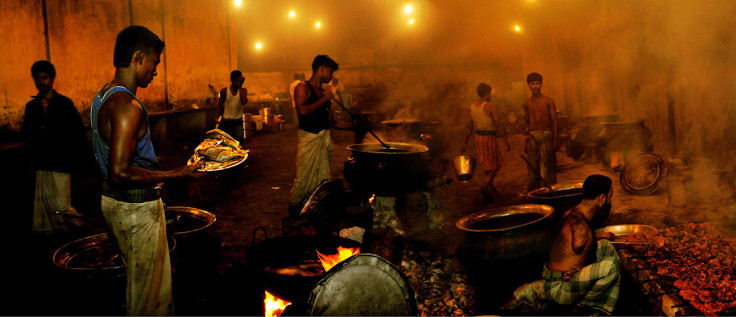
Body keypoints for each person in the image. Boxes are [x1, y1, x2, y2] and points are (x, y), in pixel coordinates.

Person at [90, 25, 203, 316]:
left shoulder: (102, 96)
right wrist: (179, 173)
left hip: (112, 204)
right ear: (139, 57)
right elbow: (120, 172)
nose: (155, 70)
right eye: (155, 62)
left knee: (138, 285)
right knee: (150, 300)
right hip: (136, 210)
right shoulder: (128, 106)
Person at [22, 60, 86, 234]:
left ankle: (78, 227)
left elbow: (77, 133)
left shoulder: (64, 104)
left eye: (44, 78)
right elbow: (28, 135)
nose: (41, 82)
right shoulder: (32, 107)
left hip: (61, 163)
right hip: (41, 164)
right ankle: (53, 239)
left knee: (61, 205)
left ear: (52, 79)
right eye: (37, 79)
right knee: (43, 207)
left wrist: (74, 159)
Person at [543, 174, 620, 315]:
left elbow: (577, 238)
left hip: (556, 278)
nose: (610, 201)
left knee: (605, 245)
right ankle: (586, 309)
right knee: (612, 266)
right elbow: (580, 240)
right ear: (602, 198)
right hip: (560, 288)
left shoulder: (573, 214)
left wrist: (601, 236)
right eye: (610, 197)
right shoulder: (582, 227)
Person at [289, 55, 339, 214]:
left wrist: (356, 126)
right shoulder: (302, 87)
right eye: (330, 72)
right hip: (308, 141)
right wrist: (324, 99)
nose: (332, 76)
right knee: (303, 180)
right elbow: (302, 111)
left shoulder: (325, 93)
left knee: (322, 180)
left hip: (322, 142)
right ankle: (295, 212)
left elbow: (333, 122)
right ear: (322, 68)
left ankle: (315, 212)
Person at [463, 83, 510, 202]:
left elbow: (469, 127)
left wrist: (465, 143)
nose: (491, 95)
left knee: (486, 164)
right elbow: (498, 124)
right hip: (489, 138)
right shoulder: (490, 106)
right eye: (490, 93)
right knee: (495, 164)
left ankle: (491, 188)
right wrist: (505, 140)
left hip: (478, 138)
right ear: (487, 93)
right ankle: (485, 186)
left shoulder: (472, 108)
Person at [522, 72, 558, 191]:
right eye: (532, 84)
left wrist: (555, 140)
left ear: (541, 85)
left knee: (548, 170)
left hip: (546, 136)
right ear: (528, 85)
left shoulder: (548, 101)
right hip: (533, 137)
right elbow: (527, 122)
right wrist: (528, 139)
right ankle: (536, 195)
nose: (535, 86)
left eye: (537, 83)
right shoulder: (526, 103)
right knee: (533, 170)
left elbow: (554, 121)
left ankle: (549, 194)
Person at [217, 70, 248, 143]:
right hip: (226, 121)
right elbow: (220, 105)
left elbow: (244, 101)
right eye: (237, 80)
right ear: (232, 80)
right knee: (226, 144)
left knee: (238, 143)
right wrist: (217, 117)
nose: (238, 82)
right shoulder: (224, 91)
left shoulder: (243, 91)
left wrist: (240, 86)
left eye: (239, 80)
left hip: (238, 121)